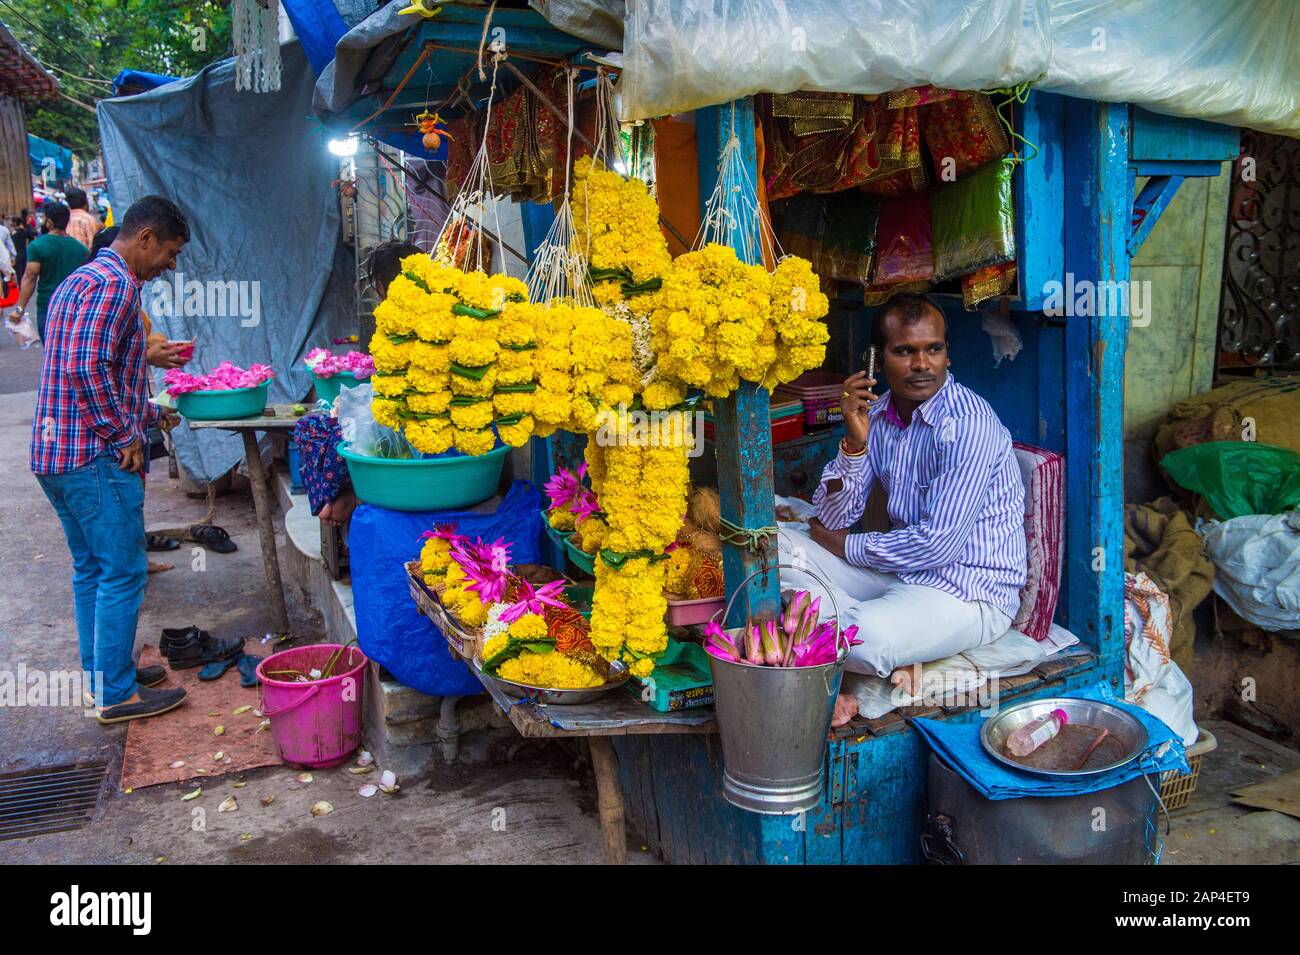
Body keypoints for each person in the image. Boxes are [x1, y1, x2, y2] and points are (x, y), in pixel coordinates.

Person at [778, 294, 1027, 727]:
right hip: (900, 572)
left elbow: (937, 545)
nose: (922, 364)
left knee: (866, 638)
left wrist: (844, 547)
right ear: (876, 360)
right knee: (771, 546)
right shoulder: (878, 415)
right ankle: (865, 624)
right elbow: (833, 518)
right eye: (904, 351)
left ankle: (861, 627)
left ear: (948, 355)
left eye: (934, 349)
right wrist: (854, 444)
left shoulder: (967, 426)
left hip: (968, 593)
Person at [30, 195, 195, 725]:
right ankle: (118, 695)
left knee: (91, 570)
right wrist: (125, 433)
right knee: (122, 572)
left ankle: (105, 673)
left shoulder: (82, 280)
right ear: (144, 238)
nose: (170, 265)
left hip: (56, 453)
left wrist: (145, 411)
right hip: (91, 457)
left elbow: (95, 365)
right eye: (169, 253)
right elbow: (85, 370)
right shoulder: (117, 286)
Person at [297, 240, 422, 527]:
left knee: (336, 440)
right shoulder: (393, 320)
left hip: (406, 425)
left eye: (374, 283)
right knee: (310, 429)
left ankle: (342, 501)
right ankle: (335, 501)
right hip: (389, 415)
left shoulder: (420, 320)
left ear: (382, 282)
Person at [16, 202, 89, 341]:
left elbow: (30, 278)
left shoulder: (37, 246)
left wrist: (20, 309)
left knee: (51, 353)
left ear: (49, 222)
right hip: (75, 307)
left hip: (48, 307)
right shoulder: (81, 249)